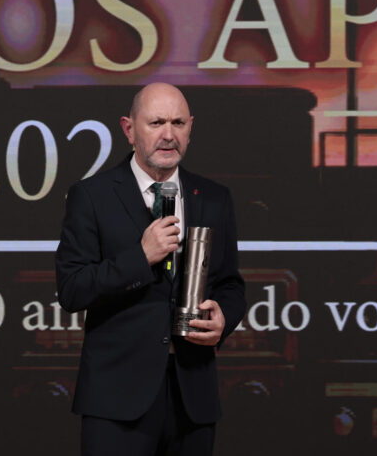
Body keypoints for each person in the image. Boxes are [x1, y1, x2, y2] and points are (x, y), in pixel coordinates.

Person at [55, 82, 246, 455]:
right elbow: (72, 289)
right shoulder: (91, 196)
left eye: (178, 123)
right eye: (156, 123)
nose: (168, 135)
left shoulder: (214, 198)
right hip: (116, 401)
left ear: (191, 128)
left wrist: (224, 317)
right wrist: (140, 258)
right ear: (129, 129)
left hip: (193, 397)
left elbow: (230, 285)